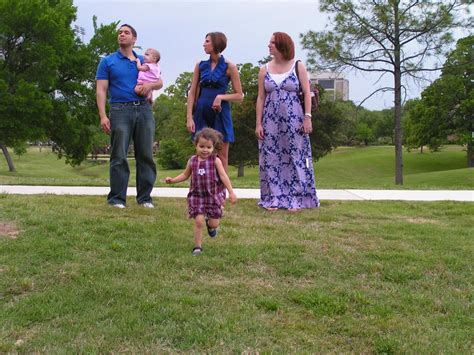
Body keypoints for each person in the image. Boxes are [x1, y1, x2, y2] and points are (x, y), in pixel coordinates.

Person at [96, 24, 163, 209]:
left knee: (146, 154)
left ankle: (145, 199)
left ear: (134, 39)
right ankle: (117, 199)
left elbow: (159, 81)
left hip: (144, 110)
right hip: (119, 110)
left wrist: (150, 88)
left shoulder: (144, 60)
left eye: (126, 32)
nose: (122, 34)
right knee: (119, 155)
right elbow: (101, 90)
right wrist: (103, 115)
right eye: (120, 32)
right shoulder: (108, 62)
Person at [255, 32, 319, 211]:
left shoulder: (297, 66)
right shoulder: (264, 69)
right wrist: (258, 123)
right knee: (271, 158)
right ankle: (274, 197)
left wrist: (308, 117)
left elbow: (307, 93)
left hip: (294, 121)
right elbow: (261, 98)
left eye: (272, 43)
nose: (269, 45)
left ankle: (297, 198)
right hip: (270, 121)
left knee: (296, 157)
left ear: (282, 45)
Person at [165, 128, 237, 256]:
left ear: (213, 147)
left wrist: (231, 192)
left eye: (208, 147)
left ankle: (211, 224)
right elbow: (185, 175)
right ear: (196, 145)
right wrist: (173, 180)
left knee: (214, 223)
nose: (205, 150)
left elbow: (224, 176)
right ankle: (197, 247)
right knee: (198, 222)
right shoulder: (192, 161)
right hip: (197, 197)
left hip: (212, 197)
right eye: (202, 146)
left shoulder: (215, 160)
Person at [186, 32, 244, 172]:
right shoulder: (200, 65)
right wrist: (189, 117)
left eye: (207, 41)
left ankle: (222, 192)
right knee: (201, 154)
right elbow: (192, 92)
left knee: (222, 156)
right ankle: (201, 189)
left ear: (216, 43)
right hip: (201, 112)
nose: (204, 44)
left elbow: (239, 95)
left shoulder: (229, 66)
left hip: (220, 113)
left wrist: (221, 97)